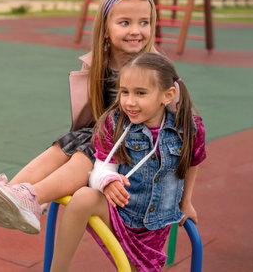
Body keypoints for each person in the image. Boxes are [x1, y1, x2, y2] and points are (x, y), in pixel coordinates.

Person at [0, 0, 158, 234]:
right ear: (105, 30)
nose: (136, 31)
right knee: (67, 142)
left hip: (133, 152)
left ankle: (34, 198)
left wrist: (185, 198)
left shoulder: (155, 72)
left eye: (144, 22)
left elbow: (184, 128)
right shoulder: (100, 64)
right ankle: (11, 193)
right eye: (125, 23)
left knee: (87, 147)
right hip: (104, 140)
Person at [50, 52, 206, 272]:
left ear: (168, 95)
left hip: (153, 227)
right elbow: (101, 168)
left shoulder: (188, 128)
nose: (130, 102)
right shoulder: (114, 124)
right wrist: (107, 181)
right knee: (84, 196)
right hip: (119, 213)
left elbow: (192, 162)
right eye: (124, 92)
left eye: (140, 93)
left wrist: (186, 202)